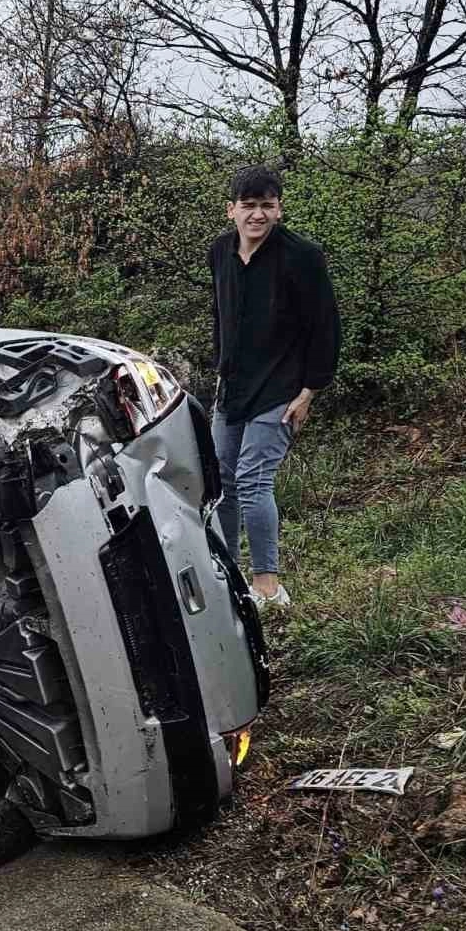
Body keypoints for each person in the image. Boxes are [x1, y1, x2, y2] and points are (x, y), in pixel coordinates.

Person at [208, 165, 340, 609]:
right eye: (248, 205)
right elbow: (220, 315)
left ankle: (268, 587)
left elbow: (326, 326)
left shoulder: (302, 256)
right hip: (232, 387)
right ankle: (225, 573)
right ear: (231, 210)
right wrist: (220, 370)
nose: (257, 214)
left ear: (279, 209)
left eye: (267, 205)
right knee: (221, 481)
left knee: (253, 479)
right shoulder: (220, 252)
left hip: (282, 387)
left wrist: (309, 391)